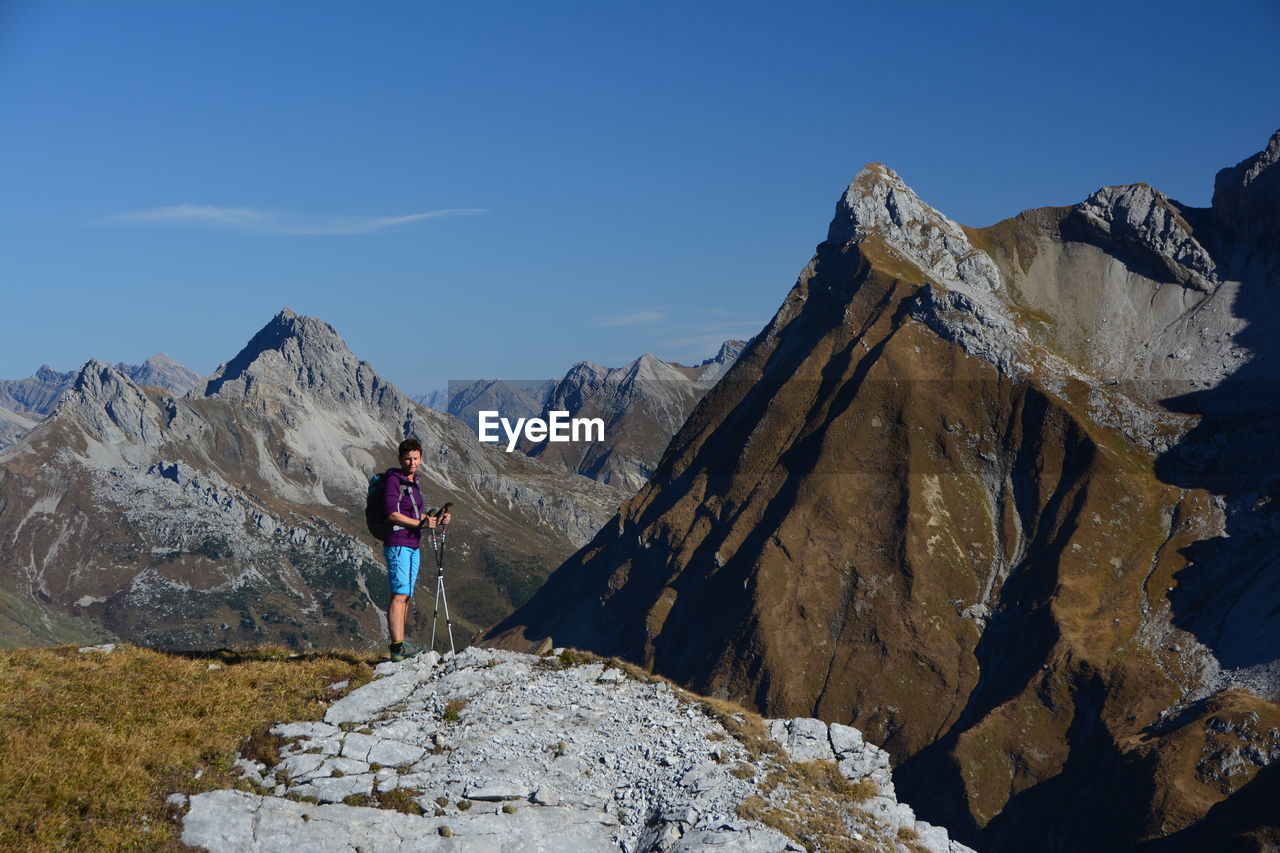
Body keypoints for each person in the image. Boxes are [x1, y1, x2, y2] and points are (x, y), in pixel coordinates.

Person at [382, 437, 429, 661]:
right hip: (398, 543)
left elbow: (416, 515)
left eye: (416, 458)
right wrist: (420, 523)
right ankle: (396, 648)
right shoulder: (393, 481)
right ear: (401, 459)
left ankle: (401, 644)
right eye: (408, 458)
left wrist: (433, 519)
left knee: (407, 595)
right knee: (399, 594)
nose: (412, 462)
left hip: (413, 544)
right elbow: (392, 513)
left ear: (421, 459)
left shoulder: (414, 483)